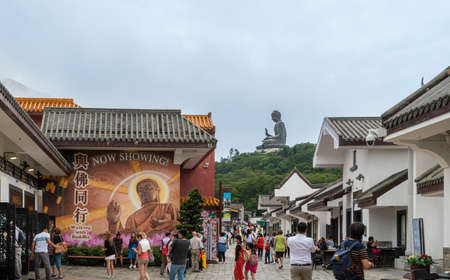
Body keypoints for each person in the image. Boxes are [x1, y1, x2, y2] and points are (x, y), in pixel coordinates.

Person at [107, 178, 177, 233]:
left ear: (157, 190)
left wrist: (161, 224)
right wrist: (114, 222)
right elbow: (126, 238)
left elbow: (178, 226)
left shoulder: (168, 207)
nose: (144, 192)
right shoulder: (132, 217)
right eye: (140, 190)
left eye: (148, 188)